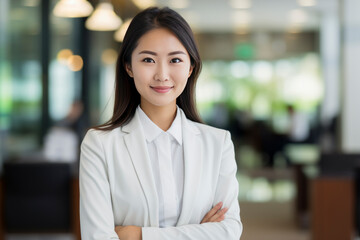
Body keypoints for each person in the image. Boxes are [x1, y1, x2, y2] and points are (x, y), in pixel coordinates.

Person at [79, 7, 242, 240]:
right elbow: (97, 236)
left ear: (191, 67)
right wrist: (200, 232)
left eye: (175, 59)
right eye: (148, 60)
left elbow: (229, 232)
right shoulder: (100, 145)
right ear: (128, 67)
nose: (162, 74)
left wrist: (137, 235)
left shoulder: (218, 143)